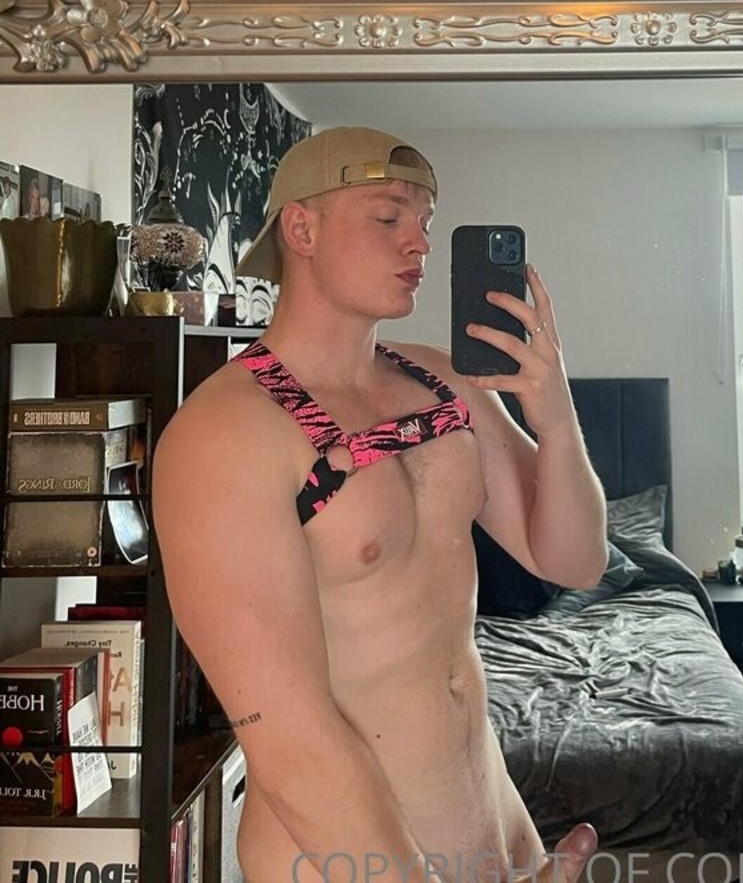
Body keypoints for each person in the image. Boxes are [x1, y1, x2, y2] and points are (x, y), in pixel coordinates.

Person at [152, 126, 609, 883]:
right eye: (389, 216)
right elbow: (290, 741)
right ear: (302, 229)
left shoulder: (445, 384)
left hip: (500, 838)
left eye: (425, 222)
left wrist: (556, 419)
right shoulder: (224, 435)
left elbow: (575, 559)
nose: (419, 243)